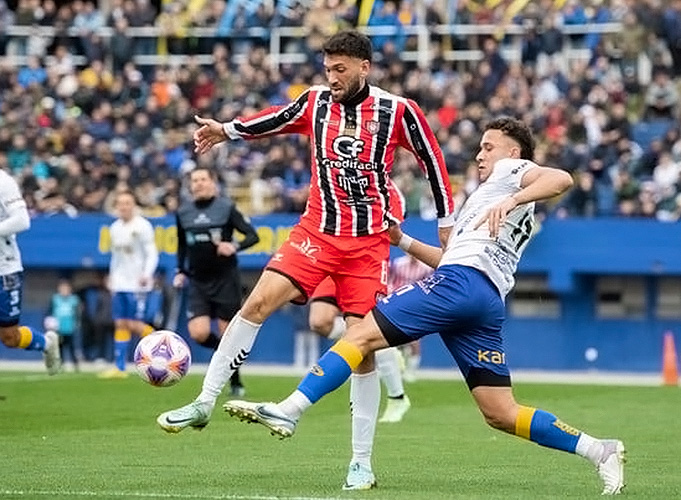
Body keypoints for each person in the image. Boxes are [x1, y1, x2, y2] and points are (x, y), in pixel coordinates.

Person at [222, 118, 626, 495]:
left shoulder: (510, 175)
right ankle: (599, 449)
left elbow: (562, 178)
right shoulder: (491, 197)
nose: (480, 155)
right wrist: (402, 241)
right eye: (479, 149)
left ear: (513, 154)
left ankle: (290, 409)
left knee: (359, 333)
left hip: (462, 285)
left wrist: (514, 195)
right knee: (500, 412)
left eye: (488, 147)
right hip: (483, 300)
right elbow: (453, 256)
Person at [157, 30, 455, 492]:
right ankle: (204, 401)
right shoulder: (315, 103)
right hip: (315, 232)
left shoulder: (399, 111)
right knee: (254, 305)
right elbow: (271, 121)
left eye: (341, 69)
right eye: (327, 68)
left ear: (364, 67)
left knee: (362, 349)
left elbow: (434, 164)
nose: (332, 77)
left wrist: (445, 224)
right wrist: (227, 130)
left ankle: (360, 463)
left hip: (367, 245)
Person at [306, 178, 411, 424]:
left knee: (364, 331)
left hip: (363, 261)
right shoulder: (329, 173)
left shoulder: (383, 184)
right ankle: (383, 344)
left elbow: (396, 219)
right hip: (330, 254)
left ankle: (397, 397)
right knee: (319, 321)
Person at [173, 166, 259, 397]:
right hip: (198, 281)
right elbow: (182, 245)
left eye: (203, 179)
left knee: (227, 334)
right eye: (195, 180)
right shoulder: (183, 212)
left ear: (213, 182)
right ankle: (224, 355)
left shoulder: (226, 208)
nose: (199, 183)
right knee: (199, 333)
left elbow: (253, 235)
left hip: (225, 280)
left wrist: (235, 246)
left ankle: (236, 381)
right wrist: (180, 270)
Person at [0, 168, 60, 374]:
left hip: (4, 269)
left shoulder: (3, 182)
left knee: (9, 337)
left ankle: (45, 343)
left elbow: (22, 220)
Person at [99, 190, 159, 378]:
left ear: (133, 205)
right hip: (120, 282)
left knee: (134, 324)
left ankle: (164, 348)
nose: (124, 207)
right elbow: (115, 257)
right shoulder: (115, 227)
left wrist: (147, 274)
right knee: (120, 323)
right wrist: (112, 277)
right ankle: (119, 367)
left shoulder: (143, 226)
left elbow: (152, 253)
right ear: (116, 207)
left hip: (138, 283)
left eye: (127, 203)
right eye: (120, 203)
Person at [386, 253, 434, 383]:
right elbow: (389, 281)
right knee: (390, 338)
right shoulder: (398, 264)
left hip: (416, 306)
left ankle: (411, 371)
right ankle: (394, 368)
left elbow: (429, 285)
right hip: (397, 303)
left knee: (414, 340)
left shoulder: (425, 268)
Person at [48, 278, 81, 372]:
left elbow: (77, 313)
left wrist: (77, 323)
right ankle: (60, 365)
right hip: (58, 328)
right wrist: (50, 323)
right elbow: (49, 312)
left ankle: (76, 366)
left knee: (72, 347)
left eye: (66, 288)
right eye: (62, 288)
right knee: (59, 348)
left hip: (70, 327)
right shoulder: (55, 299)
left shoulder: (74, 299)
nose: (64, 290)